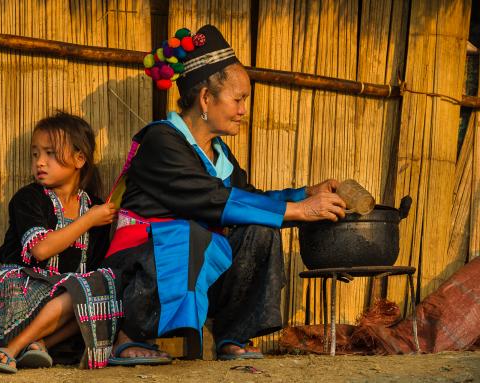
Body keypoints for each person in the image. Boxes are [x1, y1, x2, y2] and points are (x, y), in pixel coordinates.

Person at [102, 24, 346, 365]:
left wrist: (305, 193)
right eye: (238, 99)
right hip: (141, 266)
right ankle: (129, 334)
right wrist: (299, 209)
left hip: (191, 263)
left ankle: (232, 333)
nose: (244, 109)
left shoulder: (220, 154)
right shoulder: (162, 141)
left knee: (260, 229)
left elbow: (247, 198)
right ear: (205, 98)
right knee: (186, 235)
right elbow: (213, 199)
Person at [0, 112, 119, 373]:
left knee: (99, 292)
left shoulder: (94, 207)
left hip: (62, 305)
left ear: (79, 159)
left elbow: (92, 270)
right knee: (77, 290)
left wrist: (94, 217)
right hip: (23, 291)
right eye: (35, 154)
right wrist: (88, 220)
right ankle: (12, 348)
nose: (40, 162)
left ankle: (39, 343)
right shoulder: (29, 199)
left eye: (50, 153)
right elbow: (41, 249)